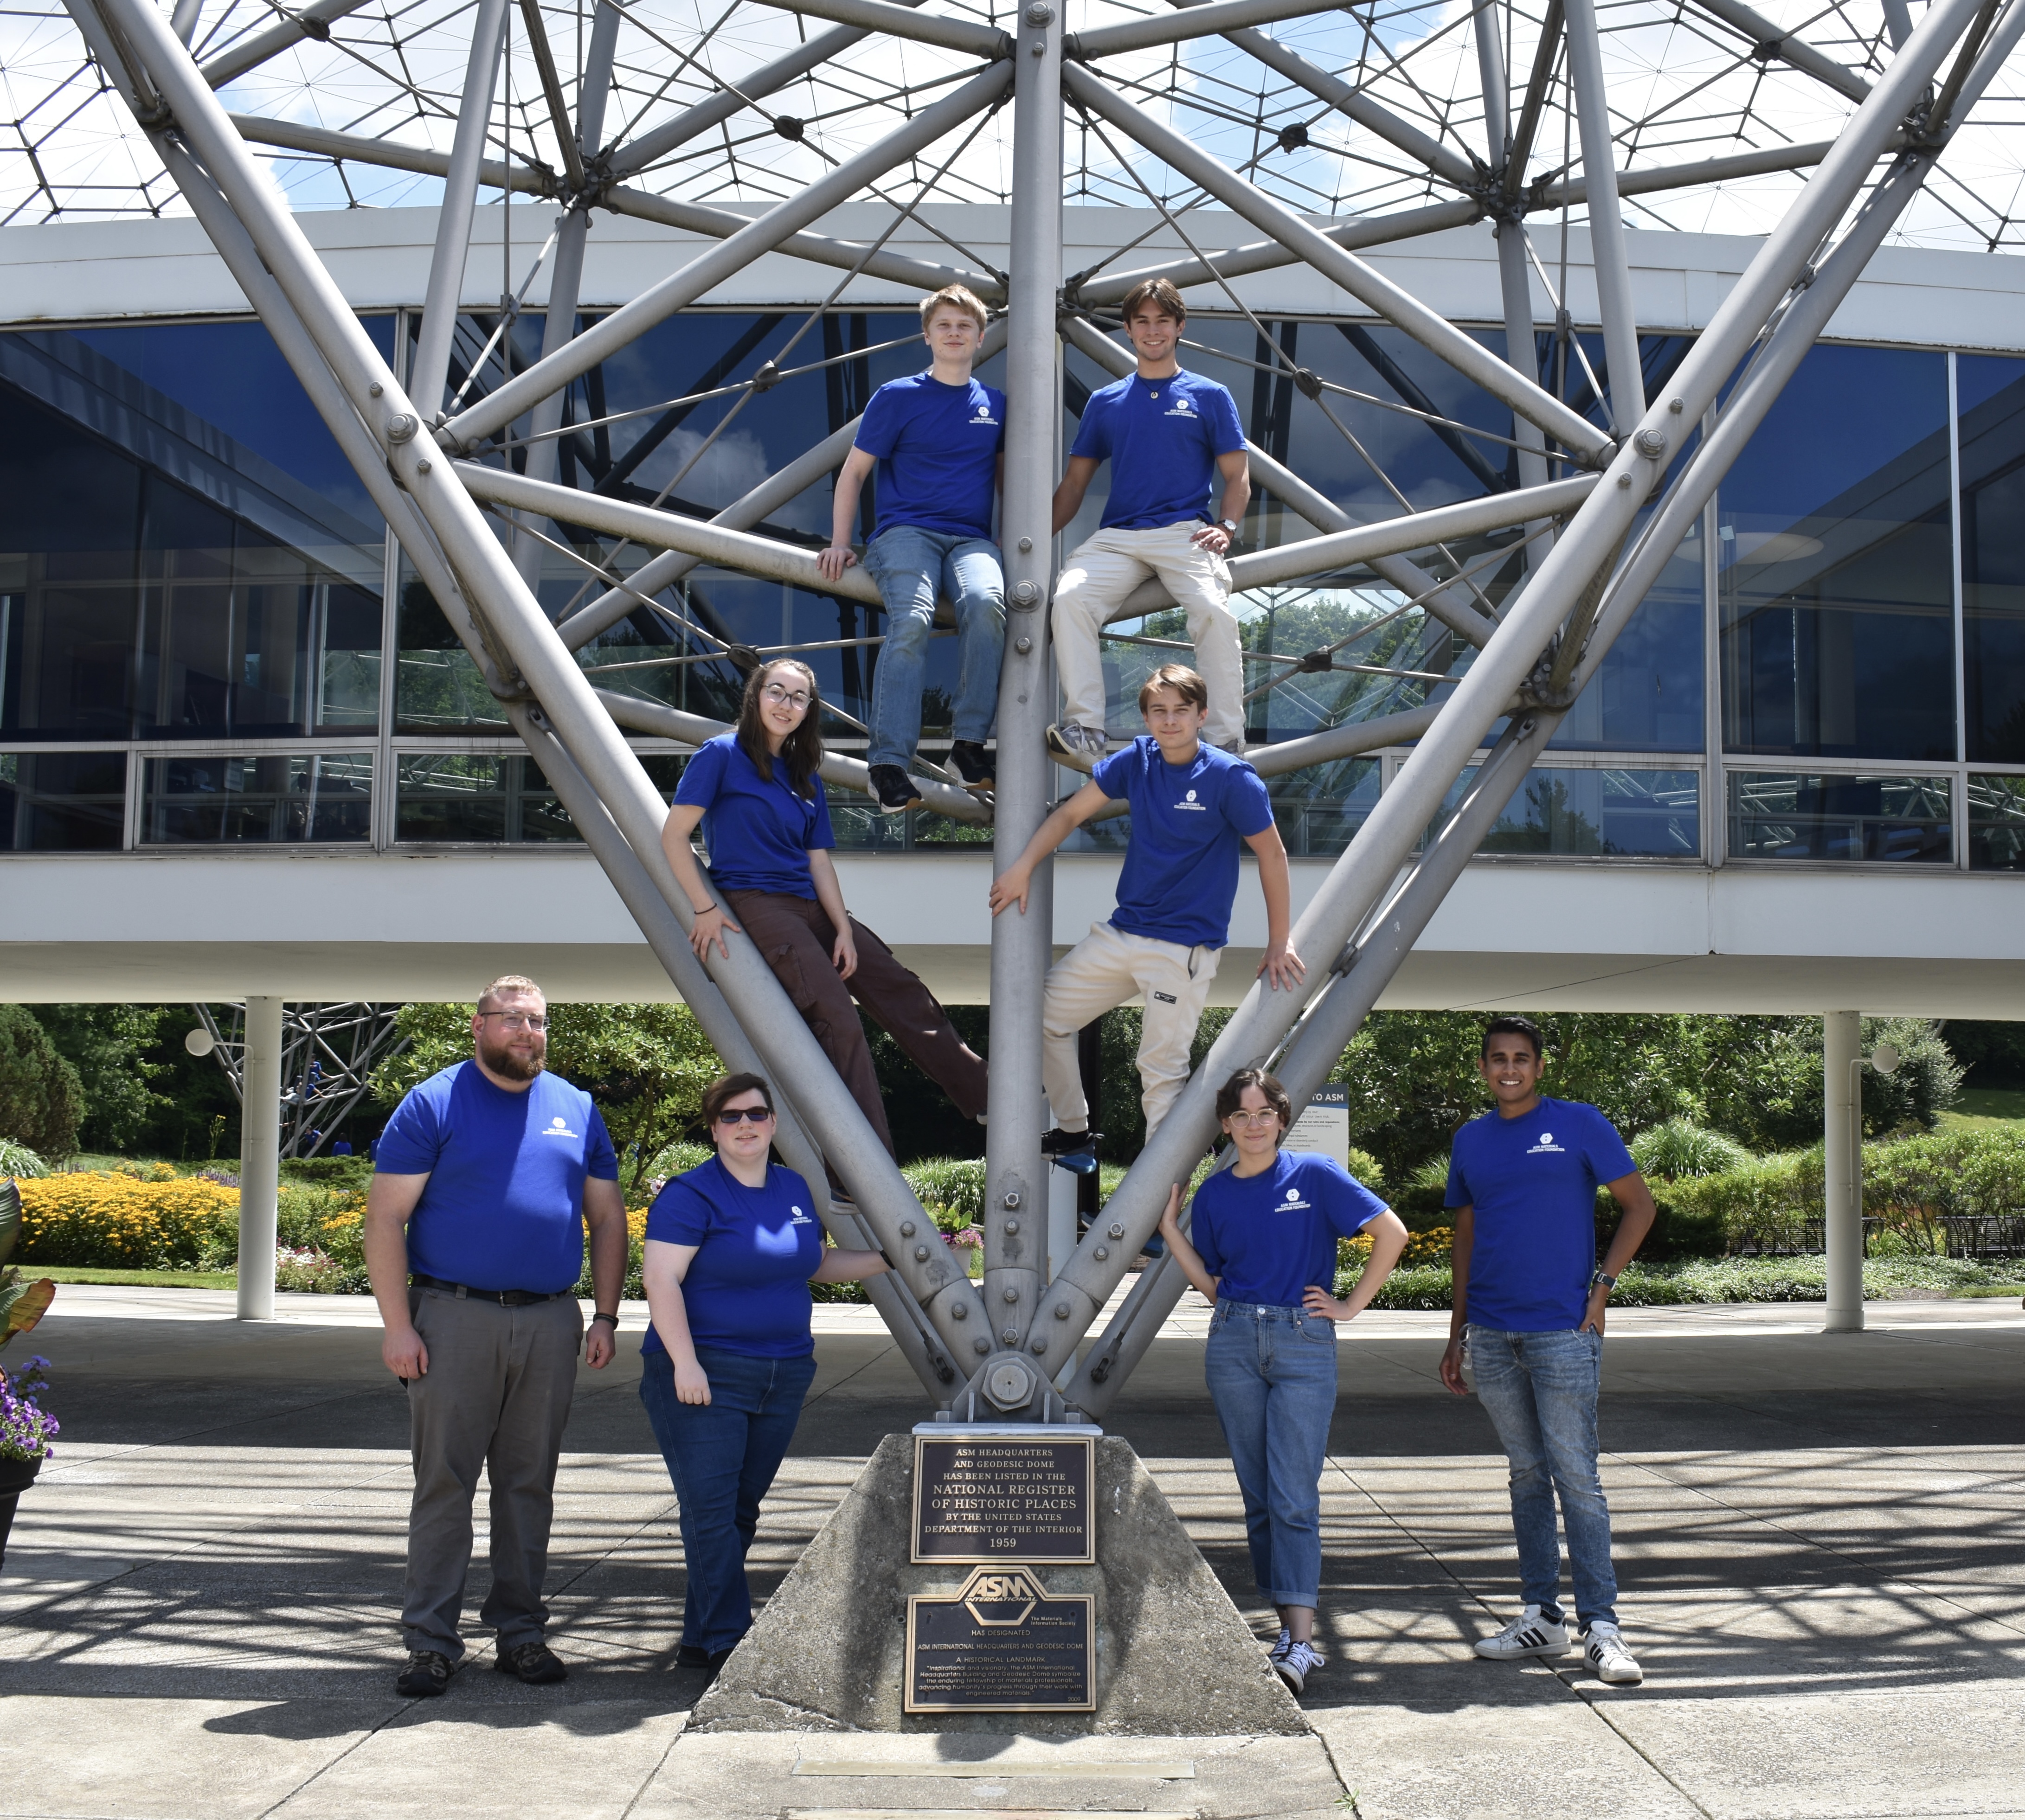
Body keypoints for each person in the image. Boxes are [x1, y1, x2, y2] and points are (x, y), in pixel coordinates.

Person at [364, 974, 627, 1699]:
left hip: (549, 1320)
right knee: (445, 1484)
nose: (526, 1031)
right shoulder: (433, 1102)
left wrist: (605, 1315)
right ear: (477, 1026)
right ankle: (430, 1644)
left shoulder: (576, 1108)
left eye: (537, 1021)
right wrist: (397, 1326)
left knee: (528, 1485)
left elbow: (607, 1217)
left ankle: (521, 1634)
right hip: (453, 1317)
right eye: (511, 1018)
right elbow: (386, 1217)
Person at [661, 658, 989, 1178]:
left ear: (808, 709)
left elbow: (818, 861)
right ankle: (860, 1170)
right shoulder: (720, 754)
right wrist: (703, 907)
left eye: (799, 697)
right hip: (757, 902)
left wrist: (843, 930)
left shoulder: (803, 771)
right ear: (756, 696)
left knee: (900, 987)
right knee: (838, 1021)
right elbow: (674, 836)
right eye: (776, 692)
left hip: (813, 904)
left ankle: (986, 1096)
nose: (786, 705)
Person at [988, 664, 1302, 1165]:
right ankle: (1073, 1133)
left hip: (1183, 950)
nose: (1170, 721)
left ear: (1201, 715)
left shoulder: (1230, 777)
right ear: (1146, 718)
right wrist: (1023, 867)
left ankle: (1159, 1203)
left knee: (1160, 1076)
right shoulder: (1138, 759)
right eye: (1159, 711)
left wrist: (1280, 939)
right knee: (1036, 1017)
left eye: (1181, 711)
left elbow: (1273, 854)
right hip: (1123, 933)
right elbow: (1070, 813)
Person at [1158, 1068, 1408, 1695]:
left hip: (1302, 1342)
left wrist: (1350, 1306)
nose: (1254, 1125)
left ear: (1282, 1118)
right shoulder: (1215, 1195)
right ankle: (1284, 1626)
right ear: (1226, 1125)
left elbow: (1392, 1233)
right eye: (1241, 1116)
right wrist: (1170, 1232)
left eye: (1264, 1113)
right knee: (1259, 1496)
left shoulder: (1315, 1175)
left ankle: (1301, 1641)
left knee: (1294, 1495)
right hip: (1234, 1341)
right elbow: (1215, 1284)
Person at [636, 1071, 892, 1675]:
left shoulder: (794, 1188)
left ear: (774, 1123)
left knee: (739, 1512)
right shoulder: (691, 1195)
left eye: (755, 1114)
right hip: (707, 1373)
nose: (745, 1125)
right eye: (730, 1116)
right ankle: (732, 1644)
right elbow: (661, 1280)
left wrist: (893, 1259)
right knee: (710, 1510)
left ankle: (701, 1638)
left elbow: (813, 1263)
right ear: (714, 1129)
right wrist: (686, 1364)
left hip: (784, 1371)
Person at [1438, 1015, 1657, 1687]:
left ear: (1538, 1067)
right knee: (1527, 1477)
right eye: (1498, 1059)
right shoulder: (1470, 1140)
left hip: (1563, 1331)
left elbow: (1640, 1207)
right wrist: (1456, 1331)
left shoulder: (1580, 1124)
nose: (1509, 1069)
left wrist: (1602, 1289)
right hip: (1492, 1334)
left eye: (1521, 1058)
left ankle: (1602, 1628)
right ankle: (1542, 1616)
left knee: (1577, 1479)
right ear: (1484, 1068)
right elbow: (1466, 1238)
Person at [1047, 276, 1250, 764]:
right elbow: (1073, 486)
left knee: (1214, 611)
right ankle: (1085, 728)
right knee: (1070, 599)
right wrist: (1020, 544)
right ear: (1128, 329)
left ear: (1180, 327)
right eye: (1142, 321)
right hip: (1118, 538)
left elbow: (1237, 476)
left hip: (1185, 533)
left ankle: (1224, 741)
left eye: (1162, 321)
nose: (1152, 331)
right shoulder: (1106, 401)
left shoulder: (1209, 395)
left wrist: (1226, 527)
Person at [818, 284, 1005, 812]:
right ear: (927, 336)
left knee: (988, 605)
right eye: (944, 325)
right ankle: (887, 765)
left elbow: (1007, 482)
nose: (954, 333)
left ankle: (968, 746)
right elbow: (854, 473)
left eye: (964, 326)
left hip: (970, 538)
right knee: (914, 618)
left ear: (980, 337)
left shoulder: (996, 405)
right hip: (906, 533)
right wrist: (840, 542)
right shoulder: (898, 396)